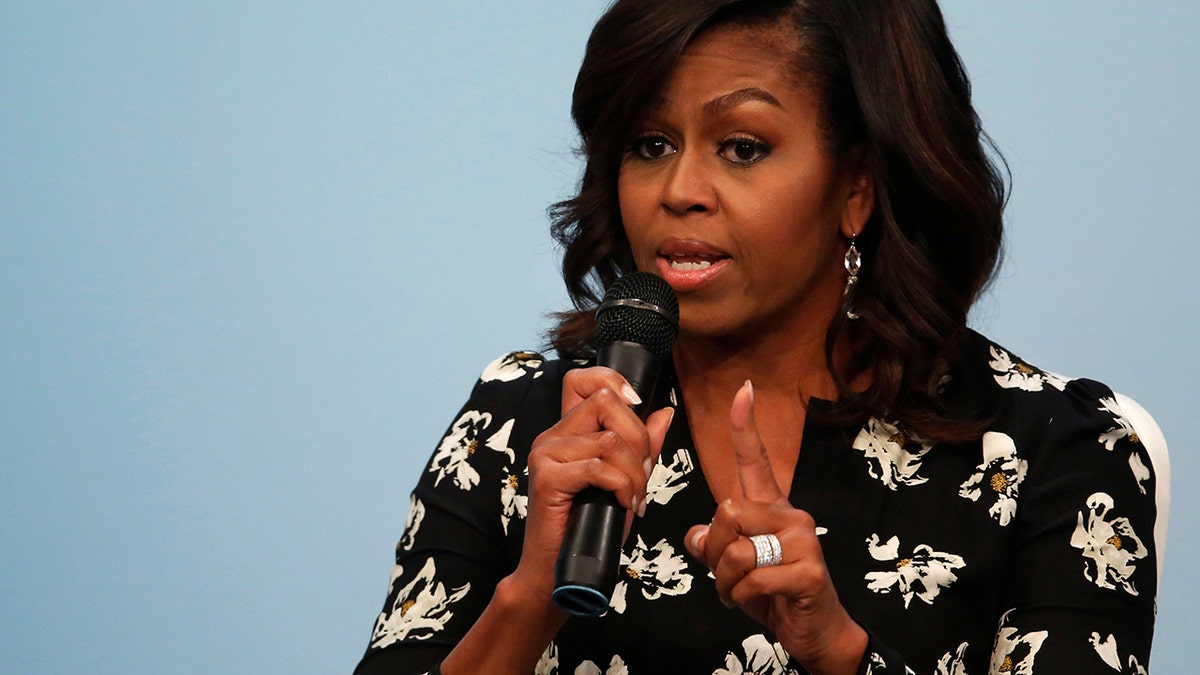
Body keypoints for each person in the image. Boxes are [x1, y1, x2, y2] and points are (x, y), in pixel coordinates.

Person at [354, 0, 1159, 672]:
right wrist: (533, 594)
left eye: (741, 148)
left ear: (856, 188)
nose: (679, 190)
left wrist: (839, 652)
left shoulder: (1051, 451)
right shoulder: (522, 419)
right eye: (650, 144)